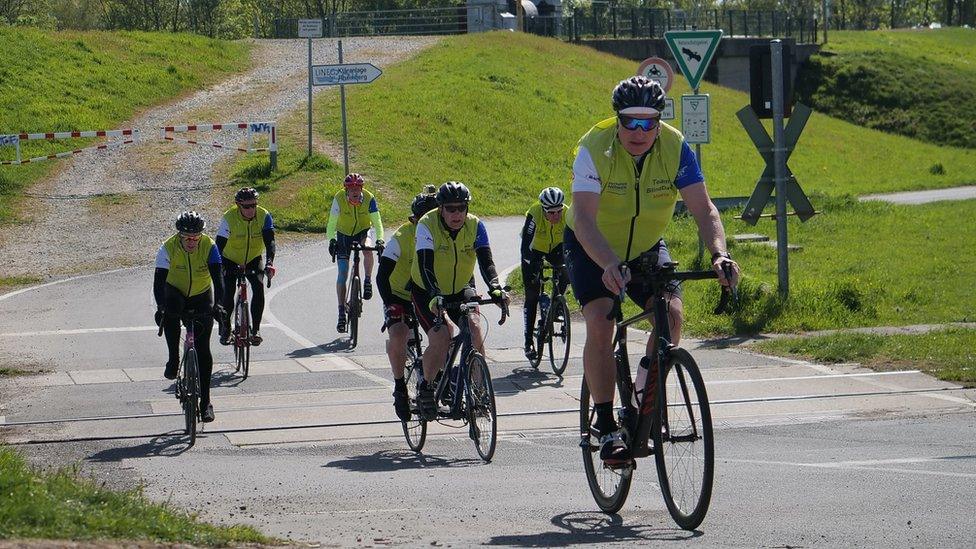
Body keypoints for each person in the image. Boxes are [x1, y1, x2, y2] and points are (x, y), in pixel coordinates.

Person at [565, 76, 740, 465]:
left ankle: (641, 401)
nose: (639, 131)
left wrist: (719, 254)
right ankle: (608, 426)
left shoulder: (675, 147)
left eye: (648, 122)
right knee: (600, 319)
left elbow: (704, 209)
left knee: (672, 317)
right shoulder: (594, 147)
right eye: (630, 122)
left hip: (645, 247)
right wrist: (609, 263)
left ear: (659, 122)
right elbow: (585, 221)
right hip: (592, 244)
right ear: (618, 121)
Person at [410, 181, 508, 420]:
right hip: (426, 289)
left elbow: (486, 261)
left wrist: (495, 287)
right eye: (451, 209)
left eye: (461, 208)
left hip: (462, 287)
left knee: (474, 330)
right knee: (441, 336)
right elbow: (425, 263)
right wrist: (434, 294)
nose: (457, 214)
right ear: (441, 208)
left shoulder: (476, 225)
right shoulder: (427, 225)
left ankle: (479, 392)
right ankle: (427, 386)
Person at [153, 211, 225, 423]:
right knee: (171, 313)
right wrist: (160, 306)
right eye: (187, 238)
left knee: (203, 349)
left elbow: (218, 278)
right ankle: (173, 359)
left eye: (196, 238)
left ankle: (206, 404)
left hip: (202, 294)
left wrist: (220, 305)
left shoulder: (209, 246)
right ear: (179, 236)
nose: (192, 242)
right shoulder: (167, 247)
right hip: (175, 291)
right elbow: (158, 281)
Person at [376, 186, 439, 421]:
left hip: (427, 294)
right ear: (413, 219)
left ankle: (439, 377)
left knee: (446, 334)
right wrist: (390, 303)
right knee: (400, 333)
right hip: (399, 294)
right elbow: (382, 276)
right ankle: (400, 386)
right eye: (421, 219)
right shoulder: (401, 238)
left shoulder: (441, 234)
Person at [216, 187, 276, 346]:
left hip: (253, 258)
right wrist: (219, 265)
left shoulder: (264, 215)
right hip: (229, 259)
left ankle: (255, 329)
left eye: (253, 205)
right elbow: (219, 244)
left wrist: (270, 262)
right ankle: (226, 328)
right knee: (227, 293)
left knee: (258, 286)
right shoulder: (229, 218)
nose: (251, 209)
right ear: (238, 205)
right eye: (246, 206)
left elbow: (270, 242)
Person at [326, 173, 385, 333]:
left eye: (357, 187)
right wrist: (331, 240)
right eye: (351, 188)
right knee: (343, 274)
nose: (355, 191)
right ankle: (340, 311)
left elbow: (377, 222)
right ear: (346, 189)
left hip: (362, 231)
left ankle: (367, 281)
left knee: (367, 248)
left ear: (361, 188)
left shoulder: (369, 198)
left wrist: (380, 240)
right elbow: (331, 223)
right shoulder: (338, 198)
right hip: (343, 234)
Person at [520, 186, 569, 361]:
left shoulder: (567, 214)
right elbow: (525, 244)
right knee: (532, 294)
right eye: (551, 212)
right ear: (543, 209)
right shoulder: (534, 214)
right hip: (535, 251)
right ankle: (528, 343)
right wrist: (531, 264)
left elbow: (576, 240)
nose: (556, 216)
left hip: (556, 248)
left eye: (558, 211)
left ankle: (557, 304)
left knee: (566, 271)